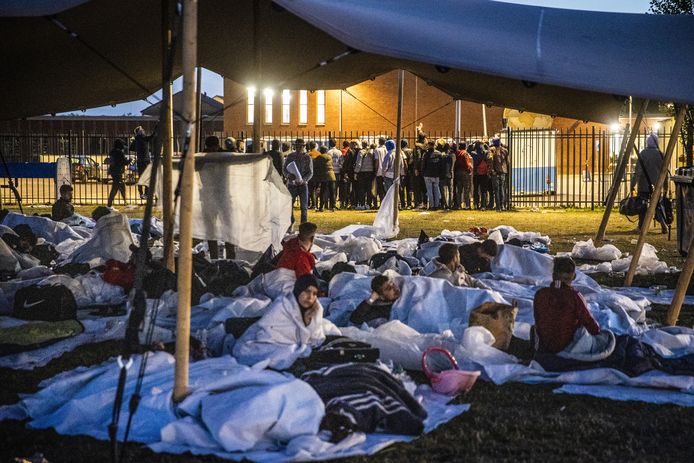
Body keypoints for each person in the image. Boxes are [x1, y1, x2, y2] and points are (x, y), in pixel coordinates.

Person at [233, 274, 328, 370]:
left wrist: (309, 323)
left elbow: (316, 339)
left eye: (314, 294)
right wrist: (295, 347)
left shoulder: (316, 309)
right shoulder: (282, 305)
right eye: (307, 291)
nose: (310, 297)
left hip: (291, 348)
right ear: (299, 290)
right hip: (262, 344)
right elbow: (265, 334)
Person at [533, 257, 600, 354]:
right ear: (574, 276)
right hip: (565, 347)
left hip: (544, 346)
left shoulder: (540, 294)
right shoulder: (574, 297)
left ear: (553, 275)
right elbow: (592, 326)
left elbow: (539, 321)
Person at [630, 133, 668, 233]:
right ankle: (664, 225)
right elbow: (665, 172)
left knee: (642, 206)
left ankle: (641, 227)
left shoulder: (643, 153)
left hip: (644, 185)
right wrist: (665, 187)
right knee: (657, 205)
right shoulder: (661, 154)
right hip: (657, 184)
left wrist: (632, 184)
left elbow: (638, 171)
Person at [422, 243, 489, 289]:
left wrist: (488, 291)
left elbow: (474, 281)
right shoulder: (437, 276)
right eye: (459, 256)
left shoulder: (458, 269)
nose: (460, 258)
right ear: (455, 258)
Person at [283, 138, 313, 225]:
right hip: (292, 185)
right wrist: (288, 175)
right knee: (289, 205)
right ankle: (291, 221)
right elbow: (284, 169)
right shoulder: (290, 156)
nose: (299, 148)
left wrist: (304, 180)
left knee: (304, 207)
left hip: (303, 185)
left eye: (301, 146)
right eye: (297, 146)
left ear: (303, 147)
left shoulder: (307, 157)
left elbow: (310, 172)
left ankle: (303, 224)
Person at [354, 140, 376, 210]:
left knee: (362, 189)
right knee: (369, 189)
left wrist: (356, 172)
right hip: (370, 172)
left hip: (362, 172)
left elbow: (359, 163)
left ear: (362, 145)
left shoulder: (361, 152)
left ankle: (362, 204)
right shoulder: (372, 152)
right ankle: (369, 204)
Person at [314, 146, 336, 211]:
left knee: (323, 191)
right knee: (332, 192)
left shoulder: (319, 157)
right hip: (332, 176)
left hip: (324, 176)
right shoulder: (330, 157)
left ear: (321, 151)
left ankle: (321, 207)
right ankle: (333, 206)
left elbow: (316, 167)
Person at [107, 138, 128, 208]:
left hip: (113, 171)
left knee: (121, 186)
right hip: (117, 172)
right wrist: (130, 160)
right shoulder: (119, 153)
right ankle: (109, 203)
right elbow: (124, 162)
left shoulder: (113, 151)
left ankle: (126, 202)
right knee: (115, 188)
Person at [421, 140, 442, 210]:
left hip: (427, 174)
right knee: (436, 189)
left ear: (429, 145)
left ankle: (432, 205)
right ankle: (437, 204)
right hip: (436, 174)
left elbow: (423, 164)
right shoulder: (439, 153)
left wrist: (423, 172)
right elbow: (441, 164)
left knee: (429, 190)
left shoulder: (426, 154)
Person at [133, 126, 152, 199]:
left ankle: (141, 194)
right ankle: (146, 194)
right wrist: (156, 129)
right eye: (142, 130)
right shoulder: (142, 137)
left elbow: (131, 148)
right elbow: (151, 137)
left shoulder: (137, 139)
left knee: (141, 178)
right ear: (140, 132)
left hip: (140, 161)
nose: (144, 131)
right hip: (145, 161)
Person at [490, 138, 509, 211]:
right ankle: (503, 206)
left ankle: (498, 207)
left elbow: (490, 160)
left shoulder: (492, 149)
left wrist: (492, 170)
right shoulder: (505, 150)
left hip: (495, 172)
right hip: (503, 172)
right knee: (502, 189)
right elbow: (507, 162)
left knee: (496, 190)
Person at [454, 142, 473, 209]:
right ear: (465, 146)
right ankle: (467, 205)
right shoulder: (465, 153)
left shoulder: (456, 153)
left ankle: (459, 205)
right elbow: (466, 163)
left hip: (458, 172)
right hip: (465, 172)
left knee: (459, 190)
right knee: (466, 189)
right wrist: (469, 170)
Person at [438, 140, 454, 210]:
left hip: (442, 175)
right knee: (450, 191)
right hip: (449, 175)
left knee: (443, 191)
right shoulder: (452, 156)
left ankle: (444, 204)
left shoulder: (441, 156)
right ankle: (450, 204)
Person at [328, 139, 343, 208]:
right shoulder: (339, 152)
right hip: (337, 172)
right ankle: (334, 203)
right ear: (335, 144)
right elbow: (341, 162)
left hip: (331, 172)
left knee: (331, 189)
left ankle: (330, 204)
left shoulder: (329, 152)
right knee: (336, 188)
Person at [374, 137, 387, 202]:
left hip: (379, 171)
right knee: (386, 188)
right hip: (387, 172)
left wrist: (375, 171)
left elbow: (377, 161)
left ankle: (382, 202)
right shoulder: (387, 149)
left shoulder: (377, 150)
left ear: (379, 142)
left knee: (380, 188)